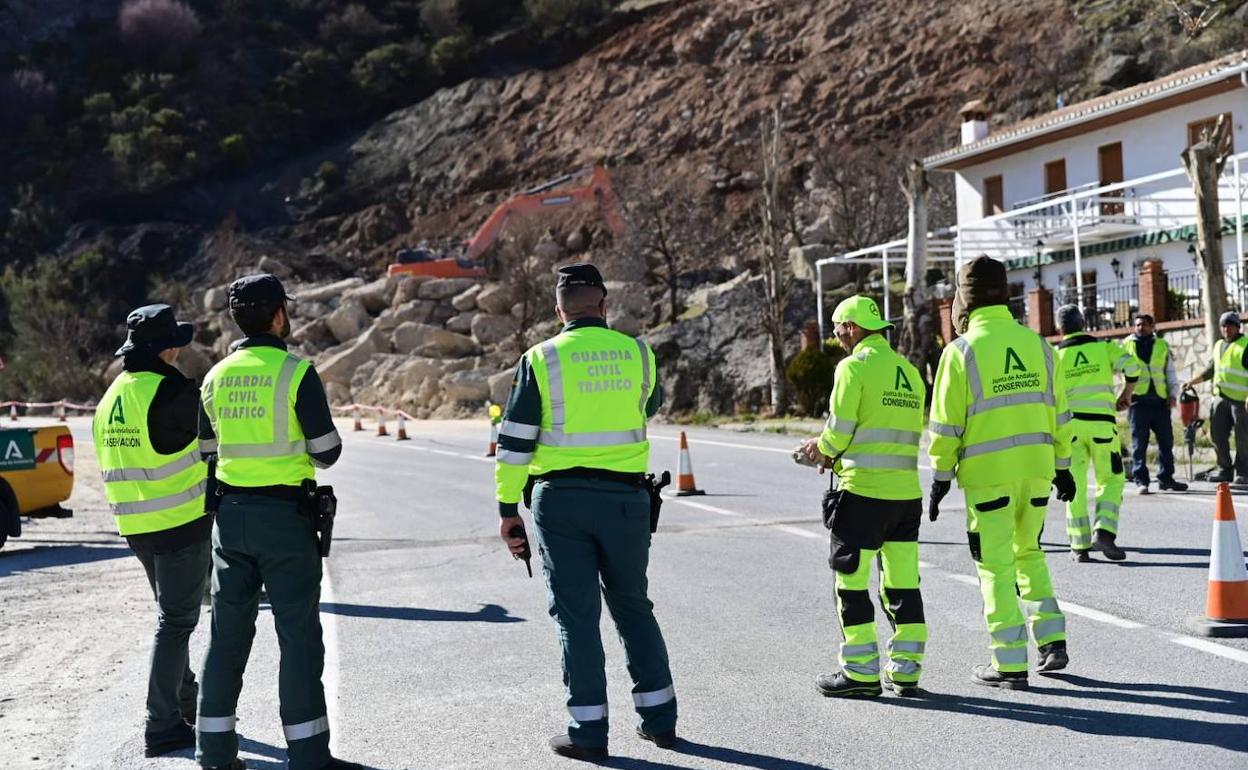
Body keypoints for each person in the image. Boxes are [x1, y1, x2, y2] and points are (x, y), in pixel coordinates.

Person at [496, 264, 676, 762]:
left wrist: (507, 508)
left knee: (576, 617)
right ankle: (661, 720)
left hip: (561, 501)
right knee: (633, 606)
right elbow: (649, 406)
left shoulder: (540, 359)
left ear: (558, 311)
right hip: (627, 500)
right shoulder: (639, 353)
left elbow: (514, 443)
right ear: (603, 305)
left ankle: (589, 731)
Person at [194, 274, 353, 770]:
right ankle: (308, 755)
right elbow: (327, 452)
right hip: (285, 520)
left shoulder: (214, 377)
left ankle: (214, 753)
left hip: (230, 520)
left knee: (226, 636)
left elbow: (207, 450)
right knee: (298, 637)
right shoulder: (296, 373)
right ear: (279, 314)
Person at [927, 256, 1075, 690]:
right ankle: (1052, 640)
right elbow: (1060, 414)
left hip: (988, 477)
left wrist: (940, 477)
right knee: (1029, 552)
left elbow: (945, 426)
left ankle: (1009, 663)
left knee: (994, 565)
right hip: (1038, 472)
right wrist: (1063, 467)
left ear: (964, 301)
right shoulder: (1040, 346)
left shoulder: (960, 352)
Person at [93, 304, 210, 757]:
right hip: (180, 522)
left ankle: (186, 703)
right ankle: (162, 725)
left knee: (171, 618)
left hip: (136, 526)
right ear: (167, 350)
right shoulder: (174, 392)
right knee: (175, 623)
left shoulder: (112, 396)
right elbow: (216, 444)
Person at [800, 296, 927, 698]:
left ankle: (859, 672)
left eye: (838, 331)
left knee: (851, 584)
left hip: (862, 494)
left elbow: (839, 431)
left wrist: (820, 449)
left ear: (852, 328)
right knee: (903, 585)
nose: (837, 339)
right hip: (906, 496)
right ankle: (906, 671)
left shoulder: (853, 367)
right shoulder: (909, 372)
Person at [1054, 305, 1139, 562]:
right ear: (1083, 323)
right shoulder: (1103, 348)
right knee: (1111, 479)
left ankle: (1079, 546)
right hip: (1102, 427)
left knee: (1074, 486)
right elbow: (1132, 367)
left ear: (1059, 328)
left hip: (1070, 430)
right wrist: (1126, 394)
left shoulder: (1055, 357)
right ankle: (1104, 533)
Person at [1123, 314, 1186, 494]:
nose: (1140, 328)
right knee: (1139, 443)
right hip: (1138, 401)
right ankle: (1141, 481)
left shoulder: (1161, 345)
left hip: (1160, 402)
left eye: (1144, 324)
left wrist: (1173, 394)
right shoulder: (1127, 345)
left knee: (1166, 442)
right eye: (1137, 325)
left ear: (1152, 326)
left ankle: (1166, 479)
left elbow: (1170, 372)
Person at [1185, 311, 1248, 484]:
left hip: (1241, 401)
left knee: (1243, 438)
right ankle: (1224, 470)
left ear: (1237, 327)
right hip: (1220, 398)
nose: (1226, 328)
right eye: (1223, 325)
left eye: (1230, 325)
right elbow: (1212, 370)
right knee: (1217, 435)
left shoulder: (1245, 345)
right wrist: (1193, 381)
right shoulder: (1219, 345)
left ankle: (1243, 472)